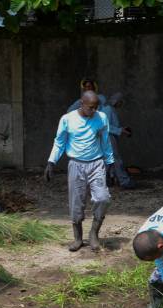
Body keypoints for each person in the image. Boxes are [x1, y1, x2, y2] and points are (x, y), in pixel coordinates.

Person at [44, 90, 114, 252]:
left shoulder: (101, 118)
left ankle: (94, 233)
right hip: (76, 164)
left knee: (103, 198)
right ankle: (78, 238)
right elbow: (59, 142)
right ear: (82, 104)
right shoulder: (67, 119)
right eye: (91, 107)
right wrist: (51, 162)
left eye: (96, 107)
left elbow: (105, 141)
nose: (94, 110)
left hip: (96, 164)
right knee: (76, 202)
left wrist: (110, 163)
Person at [101, 93, 134, 189]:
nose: (121, 104)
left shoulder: (111, 109)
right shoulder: (108, 109)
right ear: (117, 101)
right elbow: (105, 126)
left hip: (109, 137)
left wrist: (121, 129)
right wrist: (120, 130)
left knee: (109, 161)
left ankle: (106, 180)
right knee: (116, 160)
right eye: (121, 102)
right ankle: (124, 181)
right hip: (108, 138)